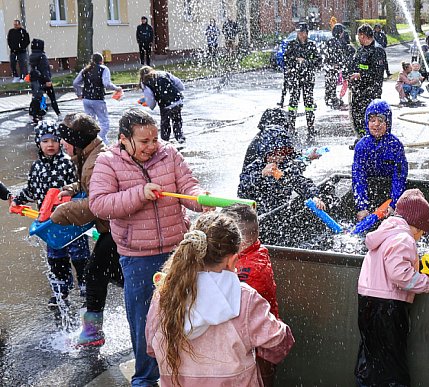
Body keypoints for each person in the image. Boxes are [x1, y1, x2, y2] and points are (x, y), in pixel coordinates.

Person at [89, 108, 206, 387]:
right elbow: (100, 204)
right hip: (137, 257)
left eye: (154, 139)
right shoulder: (108, 162)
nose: (152, 146)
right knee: (144, 322)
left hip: (177, 253)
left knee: (185, 314)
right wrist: (139, 195)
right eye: (144, 142)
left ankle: (184, 372)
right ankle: (145, 378)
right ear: (124, 140)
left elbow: (188, 186)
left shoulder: (169, 153)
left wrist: (199, 199)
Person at [145, 212, 294, 386]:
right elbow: (278, 343)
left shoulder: (165, 293)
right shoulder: (244, 298)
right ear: (232, 261)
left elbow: (151, 347)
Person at [354, 188, 429, 386]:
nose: (421, 237)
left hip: (368, 303)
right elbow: (399, 274)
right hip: (388, 308)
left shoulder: (385, 233)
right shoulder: (404, 238)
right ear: (415, 226)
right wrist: (428, 283)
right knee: (392, 365)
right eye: (422, 232)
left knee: (371, 359)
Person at [52, 114, 124, 346]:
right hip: (113, 226)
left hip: (116, 226)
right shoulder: (90, 154)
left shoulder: (94, 161)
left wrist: (63, 212)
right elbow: (91, 185)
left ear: (77, 140)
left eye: (65, 140)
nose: (62, 144)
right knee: (113, 274)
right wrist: (71, 189)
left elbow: (97, 203)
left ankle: (92, 334)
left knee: (95, 273)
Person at [10, 121, 89, 307]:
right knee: (56, 258)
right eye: (45, 141)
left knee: (80, 255)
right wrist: (18, 201)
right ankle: (61, 290)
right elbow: (31, 189)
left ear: (61, 142)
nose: (50, 144)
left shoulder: (69, 163)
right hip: (50, 223)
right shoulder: (37, 167)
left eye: (54, 140)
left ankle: (86, 286)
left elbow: (80, 187)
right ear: (39, 143)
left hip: (72, 220)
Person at [221, 204, 282, 386]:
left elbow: (230, 308)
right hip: (258, 342)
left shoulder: (249, 271)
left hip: (257, 347)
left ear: (235, 240)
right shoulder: (256, 250)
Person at [237, 123, 326, 215]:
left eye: (285, 152)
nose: (280, 157)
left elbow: (301, 182)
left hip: (279, 211)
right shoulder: (255, 166)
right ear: (267, 152)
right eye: (276, 153)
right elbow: (242, 190)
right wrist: (261, 175)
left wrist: (314, 196)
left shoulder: (286, 167)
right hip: (257, 215)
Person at [352, 100, 408, 221]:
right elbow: (358, 176)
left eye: (381, 120)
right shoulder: (362, 146)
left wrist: (394, 204)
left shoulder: (395, 145)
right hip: (370, 189)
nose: (376, 124)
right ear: (367, 122)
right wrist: (362, 206)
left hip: (389, 190)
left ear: (388, 123)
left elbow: (399, 176)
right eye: (372, 120)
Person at [72, 53, 124, 144]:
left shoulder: (86, 69)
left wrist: (79, 93)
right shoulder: (104, 69)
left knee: (90, 122)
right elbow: (106, 83)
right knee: (104, 122)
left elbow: (75, 83)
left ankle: (91, 140)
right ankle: (100, 139)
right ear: (102, 60)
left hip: (86, 99)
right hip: (98, 99)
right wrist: (117, 88)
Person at [349, 24, 387, 144]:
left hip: (371, 90)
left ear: (363, 35)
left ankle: (372, 140)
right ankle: (361, 138)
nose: (358, 39)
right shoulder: (360, 50)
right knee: (357, 115)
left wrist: (361, 75)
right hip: (358, 89)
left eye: (358, 36)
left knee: (370, 116)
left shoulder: (377, 50)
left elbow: (378, 72)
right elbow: (355, 65)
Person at [284, 22, 322, 142]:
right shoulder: (292, 45)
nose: (300, 35)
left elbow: (318, 61)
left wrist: (306, 62)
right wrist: (295, 61)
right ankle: (291, 126)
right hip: (295, 78)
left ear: (306, 33)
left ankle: (310, 127)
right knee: (293, 103)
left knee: (309, 103)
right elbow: (286, 60)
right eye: (299, 32)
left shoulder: (311, 45)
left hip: (308, 78)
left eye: (302, 32)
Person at [139, 66, 186, 143]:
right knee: (177, 120)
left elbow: (150, 98)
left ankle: (164, 141)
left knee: (165, 123)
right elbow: (178, 83)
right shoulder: (163, 73)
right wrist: (178, 91)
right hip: (177, 101)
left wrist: (150, 104)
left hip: (165, 105)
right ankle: (180, 137)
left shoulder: (145, 82)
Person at [323, 23, 350, 109]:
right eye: (342, 32)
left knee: (330, 83)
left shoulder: (330, 41)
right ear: (340, 32)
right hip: (333, 66)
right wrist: (337, 64)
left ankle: (329, 98)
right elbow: (339, 55)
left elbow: (325, 54)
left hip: (329, 66)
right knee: (332, 83)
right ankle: (332, 99)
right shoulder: (338, 42)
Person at [27, 39, 50, 124]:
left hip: (34, 78)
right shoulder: (41, 56)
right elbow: (44, 69)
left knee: (35, 96)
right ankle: (35, 114)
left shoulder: (32, 55)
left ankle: (34, 113)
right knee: (39, 97)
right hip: (40, 79)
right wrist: (47, 79)